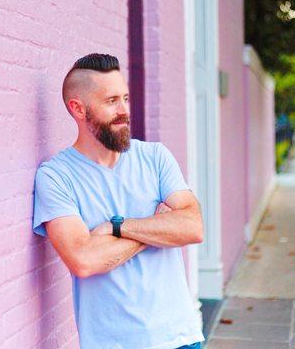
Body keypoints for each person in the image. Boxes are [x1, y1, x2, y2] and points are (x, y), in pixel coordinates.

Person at [33, 53, 205, 349]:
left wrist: (116, 227)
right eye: (112, 101)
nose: (125, 110)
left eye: (125, 98)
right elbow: (84, 261)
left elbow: (193, 228)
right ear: (79, 109)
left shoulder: (154, 157)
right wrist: (159, 228)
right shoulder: (55, 177)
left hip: (180, 337)